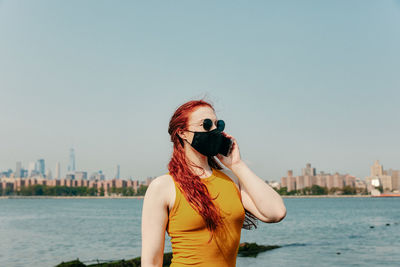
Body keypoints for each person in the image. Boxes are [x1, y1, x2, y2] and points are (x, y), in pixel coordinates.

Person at [141, 99, 286, 267]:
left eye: (219, 125)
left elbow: (276, 212)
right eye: (206, 124)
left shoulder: (232, 179)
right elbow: (151, 261)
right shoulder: (163, 186)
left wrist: (237, 165)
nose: (214, 130)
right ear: (182, 133)